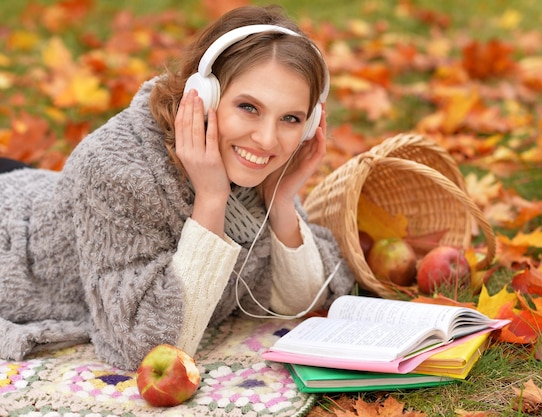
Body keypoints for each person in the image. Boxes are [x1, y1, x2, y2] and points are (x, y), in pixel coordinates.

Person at [0, 5, 354, 371]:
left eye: (291, 118)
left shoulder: (258, 171)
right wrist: (212, 199)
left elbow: (298, 299)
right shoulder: (116, 168)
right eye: (248, 107)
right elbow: (150, 349)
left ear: (311, 123)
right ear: (203, 96)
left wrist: (280, 202)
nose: (266, 139)